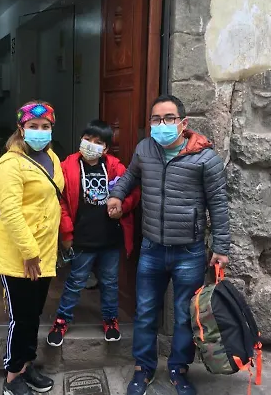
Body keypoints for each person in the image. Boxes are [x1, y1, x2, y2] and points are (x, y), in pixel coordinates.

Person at [107, 95, 231, 395]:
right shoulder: (144, 149)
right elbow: (130, 176)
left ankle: (178, 368)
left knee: (184, 315)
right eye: (156, 119)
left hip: (189, 251)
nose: (161, 124)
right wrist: (117, 195)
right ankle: (144, 368)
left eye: (169, 118)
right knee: (145, 311)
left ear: (183, 123)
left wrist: (221, 247)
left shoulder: (205, 158)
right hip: (152, 247)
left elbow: (218, 204)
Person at [0, 101, 64, 395]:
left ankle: (26, 365)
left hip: (44, 253)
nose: (39, 131)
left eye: (45, 126)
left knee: (34, 314)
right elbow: (10, 212)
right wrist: (30, 253)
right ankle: (11, 377)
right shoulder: (10, 164)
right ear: (21, 129)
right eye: (33, 126)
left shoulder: (52, 157)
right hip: (19, 256)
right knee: (20, 318)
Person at [47, 120, 140, 347]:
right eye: (87, 139)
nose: (91, 145)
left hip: (110, 239)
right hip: (82, 239)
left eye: (98, 142)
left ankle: (110, 320)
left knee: (110, 282)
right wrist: (66, 234)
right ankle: (61, 321)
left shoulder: (116, 167)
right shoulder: (67, 166)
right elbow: (60, 202)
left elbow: (133, 191)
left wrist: (123, 207)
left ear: (106, 148)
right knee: (75, 281)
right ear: (81, 139)